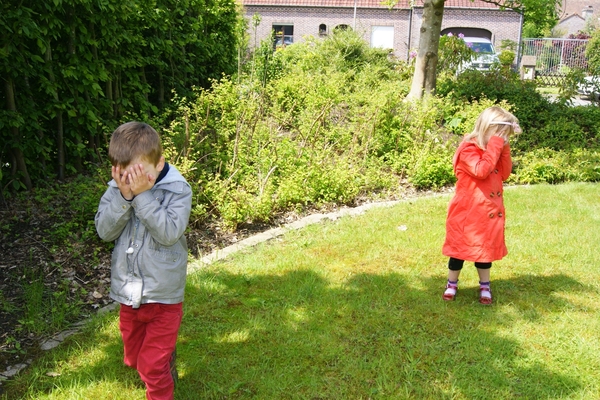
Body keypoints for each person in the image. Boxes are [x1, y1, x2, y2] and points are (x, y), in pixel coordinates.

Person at [95, 121, 192, 399]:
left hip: (163, 296)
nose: (132, 182)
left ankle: (160, 379)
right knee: (134, 358)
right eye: (125, 176)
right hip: (130, 294)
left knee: (151, 366)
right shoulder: (118, 189)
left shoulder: (178, 190)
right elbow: (104, 231)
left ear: (159, 164)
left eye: (139, 175)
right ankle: (161, 363)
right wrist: (124, 198)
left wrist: (142, 196)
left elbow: (169, 233)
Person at [441, 106, 520, 305]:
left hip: (487, 211)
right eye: (500, 135)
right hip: (467, 213)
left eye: (505, 137)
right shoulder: (468, 149)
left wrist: (504, 150)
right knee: (458, 251)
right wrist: (495, 145)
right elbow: (481, 170)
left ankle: (485, 285)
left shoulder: (493, 149)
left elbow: (504, 173)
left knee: (484, 252)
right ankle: (452, 283)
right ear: (487, 128)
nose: (502, 140)